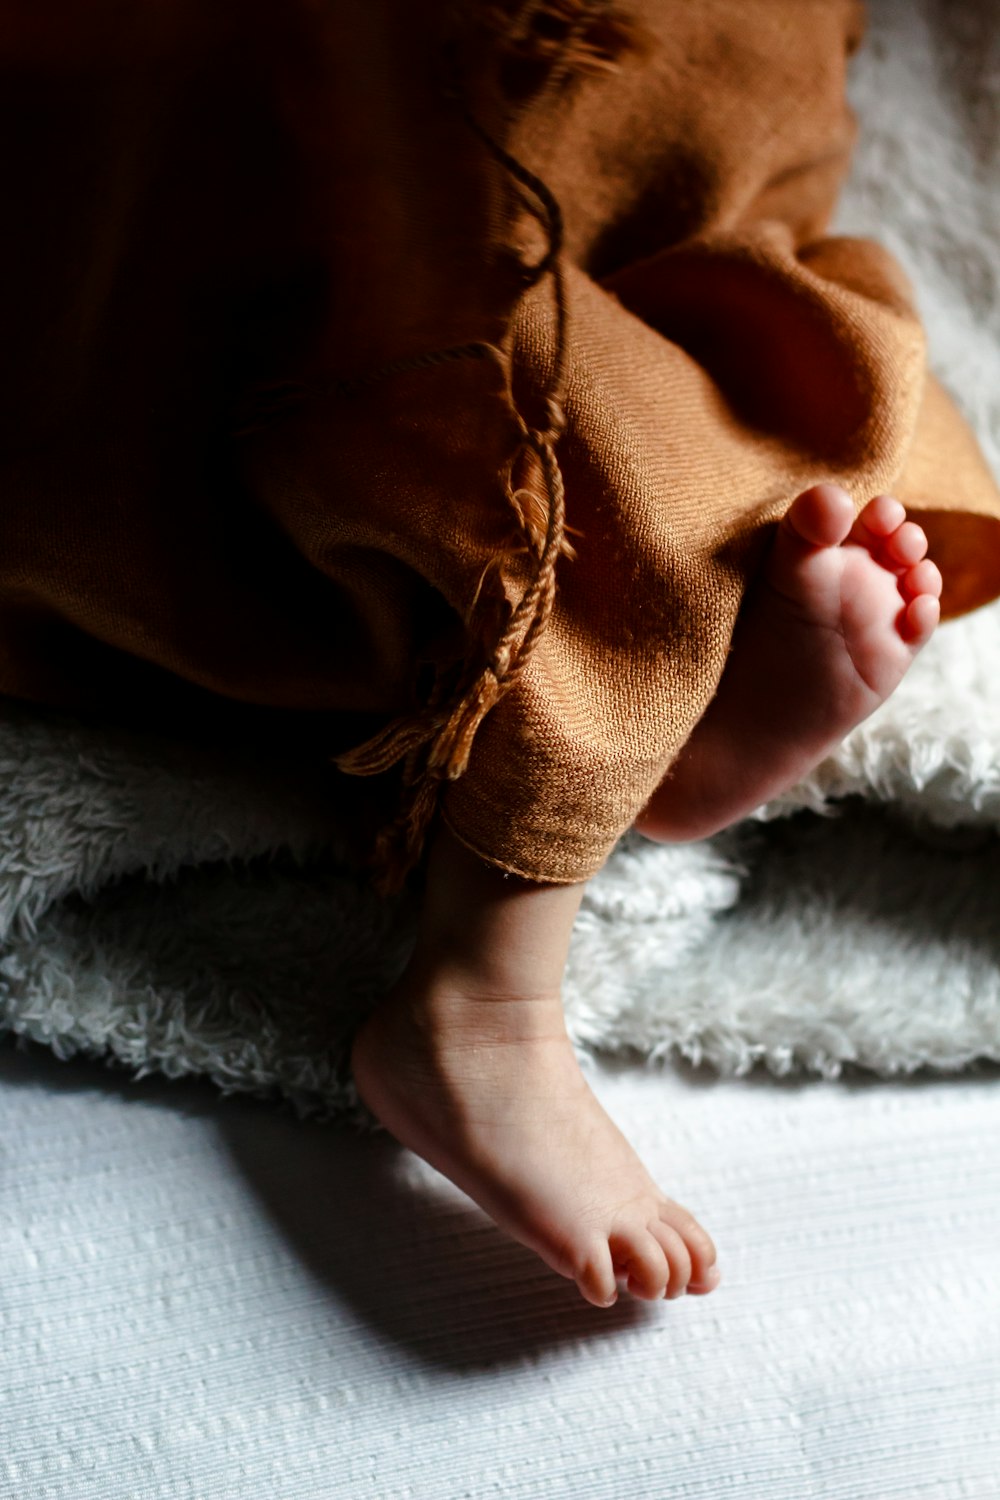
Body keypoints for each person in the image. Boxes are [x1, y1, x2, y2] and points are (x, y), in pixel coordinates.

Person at [2, 0, 999, 1306]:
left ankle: (658, 710)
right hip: (366, 277)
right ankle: (484, 997)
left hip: (685, 223)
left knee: (794, 409)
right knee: (559, 429)